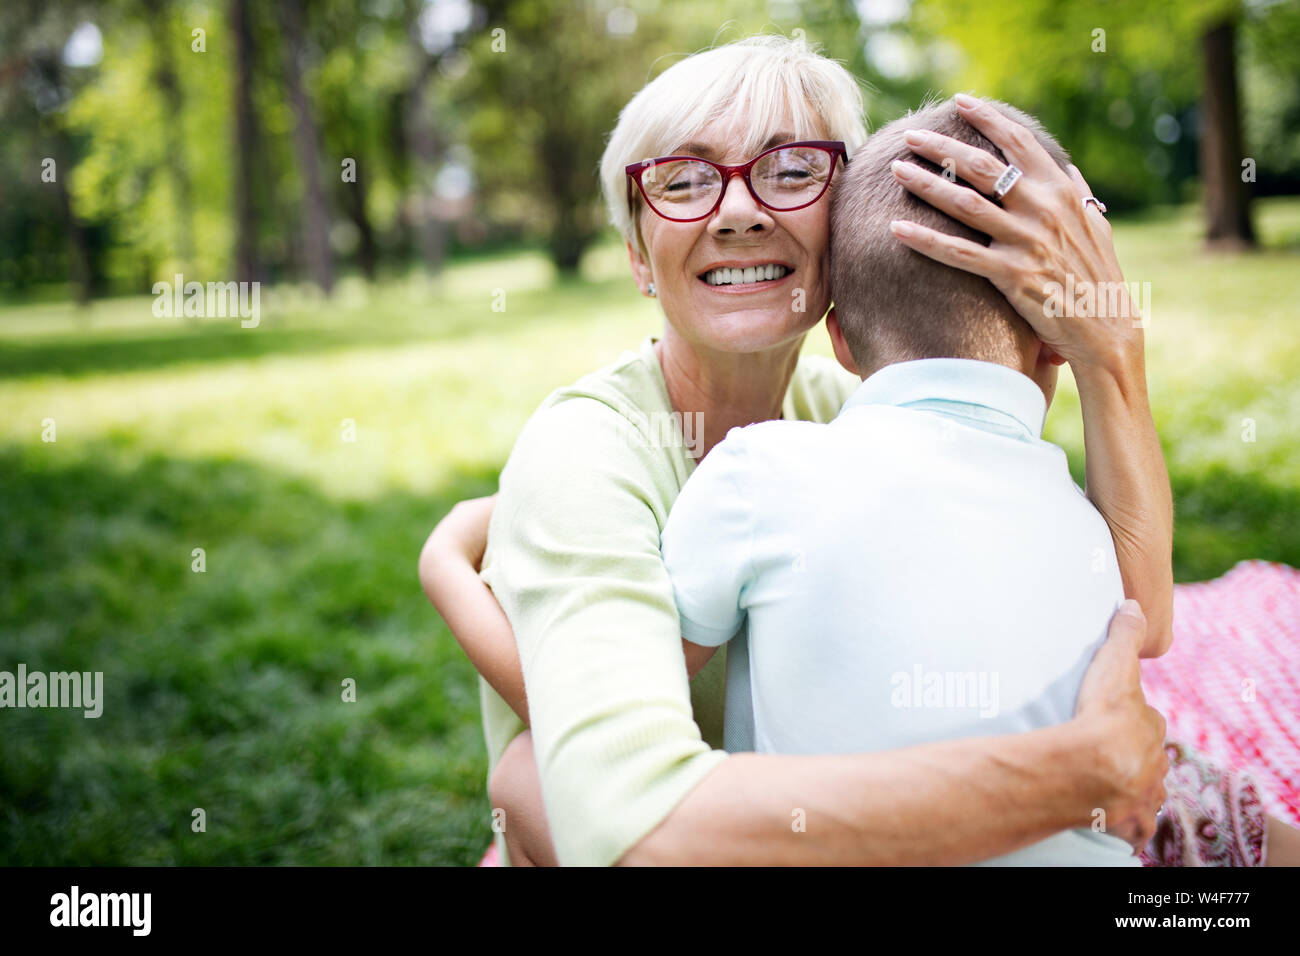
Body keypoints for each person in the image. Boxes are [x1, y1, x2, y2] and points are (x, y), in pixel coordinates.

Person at [420, 35, 1174, 866]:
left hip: (860, 812)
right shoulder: (584, 450)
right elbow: (629, 821)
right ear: (637, 255)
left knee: (1200, 794)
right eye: (683, 180)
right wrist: (1073, 776)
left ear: (845, 224)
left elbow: (1125, 600)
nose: (738, 211)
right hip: (719, 839)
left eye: (788, 171)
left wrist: (1109, 348)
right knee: (528, 778)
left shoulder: (842, 411)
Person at [661, 97, 1157, 866]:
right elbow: (1148, 618)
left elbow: (638, 694)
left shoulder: (757, 475)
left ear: (841, 344)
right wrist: (1112, 338)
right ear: (1054, 347)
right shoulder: (1098, 535)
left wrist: (450, 567)